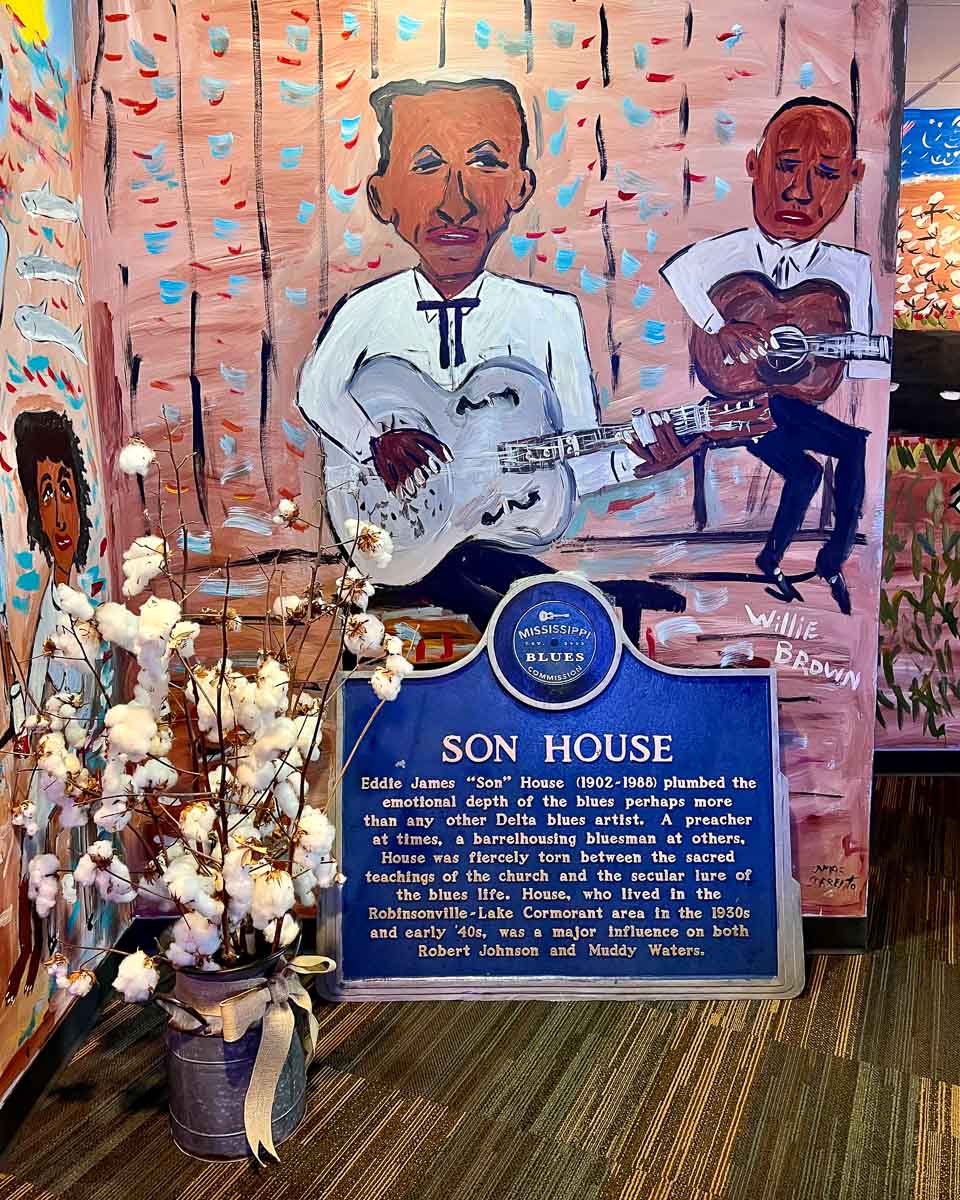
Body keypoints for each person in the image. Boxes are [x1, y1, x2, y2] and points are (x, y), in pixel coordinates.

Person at [297, 77, 683, 643]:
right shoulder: (367, 311)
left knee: (472, 562)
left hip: (492, 539)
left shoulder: (549, 316)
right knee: (450, 571)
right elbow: (317, 392)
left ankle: (566, 612)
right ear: (381, 197)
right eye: (427, 167)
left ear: (520, 189)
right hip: (391, 531)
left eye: (485, 164)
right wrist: (372, 443)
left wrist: (635, 461)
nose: (456, 203)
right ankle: (581, 607)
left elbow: (568, 457)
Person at [658, 96, 889, 614]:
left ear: (853, 177)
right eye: (785, 166)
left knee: (807, 474)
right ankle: (830, 559)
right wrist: (720, 326)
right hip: (745, 401)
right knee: (851, 447)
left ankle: (773, 560)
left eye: (826, 173)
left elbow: (868, 360)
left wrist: (818, 351)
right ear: (753, 166)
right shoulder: (728, 251)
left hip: (786, 403)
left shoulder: (850, 270)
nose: (799, 191)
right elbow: (679, 273)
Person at [5, 409, 96, 1004]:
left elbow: (91, 695)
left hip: (80, 760)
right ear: (36, 515)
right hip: (50, 758)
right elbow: (34, 698)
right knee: (31, 838)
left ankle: (74, 948)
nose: (60, 511)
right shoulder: (45, 608)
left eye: (66, 488)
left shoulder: (80, 604)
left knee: (78, 847)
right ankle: (38, 953)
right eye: (46, 494)